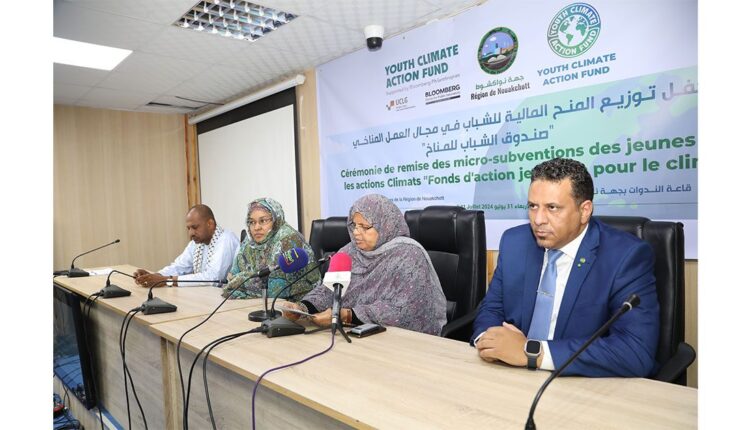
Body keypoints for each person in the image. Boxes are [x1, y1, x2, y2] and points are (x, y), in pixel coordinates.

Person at [472, 158, 660, 378]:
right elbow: (491, 309)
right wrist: (489, 342)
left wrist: (533, 353)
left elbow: (634, 351)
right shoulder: (515, 242)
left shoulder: (626, 257)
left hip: (579, 383)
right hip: (508, 372)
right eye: (533, 206)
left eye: (552, 208)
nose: (538, 220)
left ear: (585, 211)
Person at [282, 193, 447, 336]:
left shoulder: (409, 255)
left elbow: (405, 309)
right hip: (352, 333)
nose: (356, 232)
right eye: (354, 225)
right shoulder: (348, 252)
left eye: (365, 227)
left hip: (400, 340)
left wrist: (347, 315)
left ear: (386, 226)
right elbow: (328, 291)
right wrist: (302, 308)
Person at [222, 197, 320, 300]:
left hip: (297, 304)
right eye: (252, 222)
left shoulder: (289, 239)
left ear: (275, 220)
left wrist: (241, 281)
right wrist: (241, 282)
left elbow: (275, 288)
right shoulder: (250, 242)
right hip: (259, 304)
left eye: (263, 221)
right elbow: (232, 277)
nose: (256, 228)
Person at [133, 204, 239, 288]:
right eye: (188, 228)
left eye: (195, 227)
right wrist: (156, 276)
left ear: (210, 224)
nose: (191, 233)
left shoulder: (226, 240)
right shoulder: (197, 243)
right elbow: (180, 266)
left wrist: (166, 280)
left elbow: (212, 278)